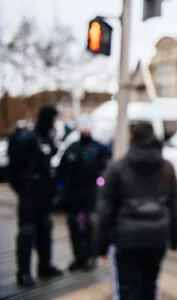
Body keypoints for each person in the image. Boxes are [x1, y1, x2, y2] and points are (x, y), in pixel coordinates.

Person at [96, 121, 177, 300]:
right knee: (150, 286)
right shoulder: (167, 168)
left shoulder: (117, 167)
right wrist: (174, 238)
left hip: (127, 239)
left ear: (132, 138)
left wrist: (101, 245)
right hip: (157, 237)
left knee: (128, 290)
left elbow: (106, 209)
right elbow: (175, 205)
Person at [10, 105, 63, 288]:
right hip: (30, 194)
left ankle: (45, 265)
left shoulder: (48, 138)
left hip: (44, 194)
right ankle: (24, 271)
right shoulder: (27, 139)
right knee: (27, 232)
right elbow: (14, 169)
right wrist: (24, 190)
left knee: (45, 229)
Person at [58, 116, 111, 272]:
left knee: (89, 224)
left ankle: (90, 256)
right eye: (83, 127)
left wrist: (101, 181)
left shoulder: (99, 148)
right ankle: (79, 256)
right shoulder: (73, 148)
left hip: (91, 193)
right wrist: (64, 189)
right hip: (74, 194)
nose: (85, 130)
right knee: (73, 225)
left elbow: (108, 165)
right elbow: (63, 170)